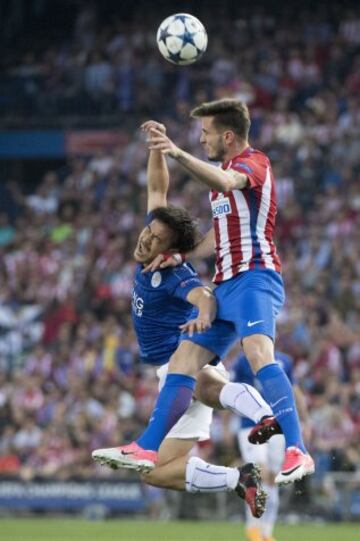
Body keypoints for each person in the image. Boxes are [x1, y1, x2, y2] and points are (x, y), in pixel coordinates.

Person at [110, 100, 314, 485]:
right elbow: (216, 241)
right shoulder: (220, 181)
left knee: (257, 352)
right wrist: (179, 254)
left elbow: (225, 182)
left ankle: (298, 449)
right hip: (224, 283)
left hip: (255, 277)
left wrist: (176, 152)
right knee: (185, 358)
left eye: (205, 133)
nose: (201, 139)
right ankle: (147, 446)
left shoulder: (254, 164)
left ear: (228, 136)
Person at [93, 122, 271, 517]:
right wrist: (157, 147)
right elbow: (157, 189)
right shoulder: (153, 242)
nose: (144, 240)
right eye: (147, 232)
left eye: (155, 239)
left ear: (171, 248)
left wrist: (204, 316)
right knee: (154, 472)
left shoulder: (174, 274)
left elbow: (203, 294)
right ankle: (239, 479)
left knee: (206, 386)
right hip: (166, 374)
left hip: (182, 359)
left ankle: (268, 413)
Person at [231, 349, 309, 541]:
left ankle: (266, 532)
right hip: (250, 424)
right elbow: (234, 391)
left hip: (278, 426)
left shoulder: (285, 360)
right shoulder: (243, 360)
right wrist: (226, 425)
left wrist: (305, 421)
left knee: (272, 479)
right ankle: (253, 530)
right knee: (259, 472)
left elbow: (293, 391)